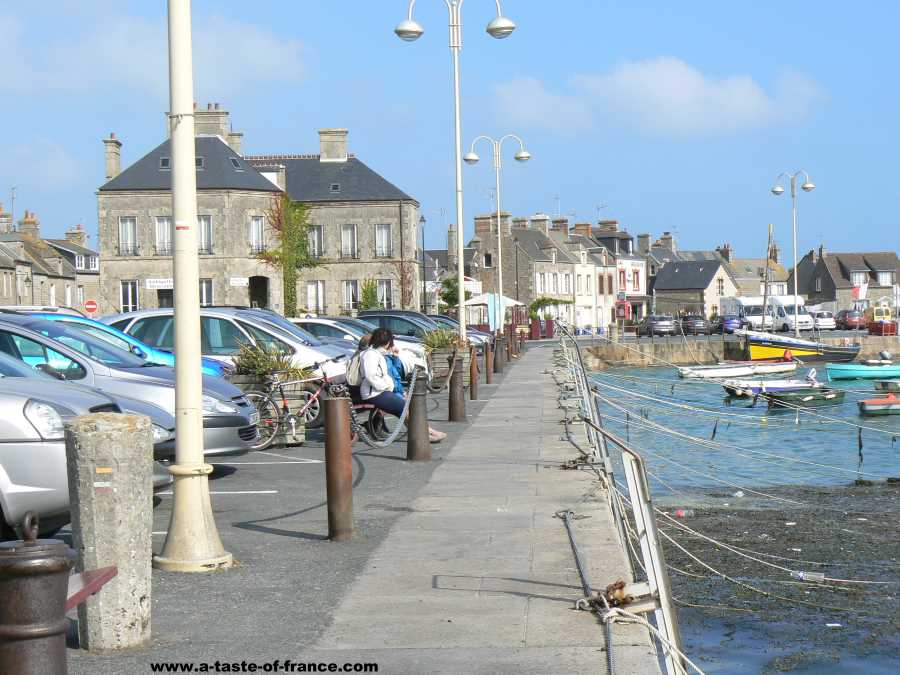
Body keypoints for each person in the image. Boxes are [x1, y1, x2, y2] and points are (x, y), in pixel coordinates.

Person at [360, 328, 446, 443]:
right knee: (405, 407)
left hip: (379, 392)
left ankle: (424, 433)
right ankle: (424, 433)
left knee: (404, 410)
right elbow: (371, 376)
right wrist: (386, 387)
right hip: (375, 393)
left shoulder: (377, 353)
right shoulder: (371, 355)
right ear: (386, 342)